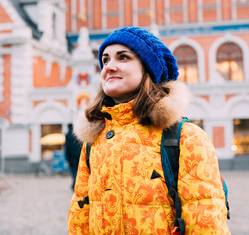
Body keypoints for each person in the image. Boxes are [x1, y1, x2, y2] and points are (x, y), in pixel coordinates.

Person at [68, 27, 230, 234]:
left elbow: (206, 223)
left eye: (123, 57)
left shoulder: (186, 137)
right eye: (105, 60)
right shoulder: (94, 140)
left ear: (149, 69)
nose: (109, 67)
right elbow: (80, 216)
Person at [65, 123, 81, 190]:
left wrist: (67, 157)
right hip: (80, 154)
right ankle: (79, 184)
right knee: (81, 170)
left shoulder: (68, 134)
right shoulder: (78, 133)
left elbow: (67, 147)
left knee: (74, 170)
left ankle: (75, 184)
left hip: (72, 156)